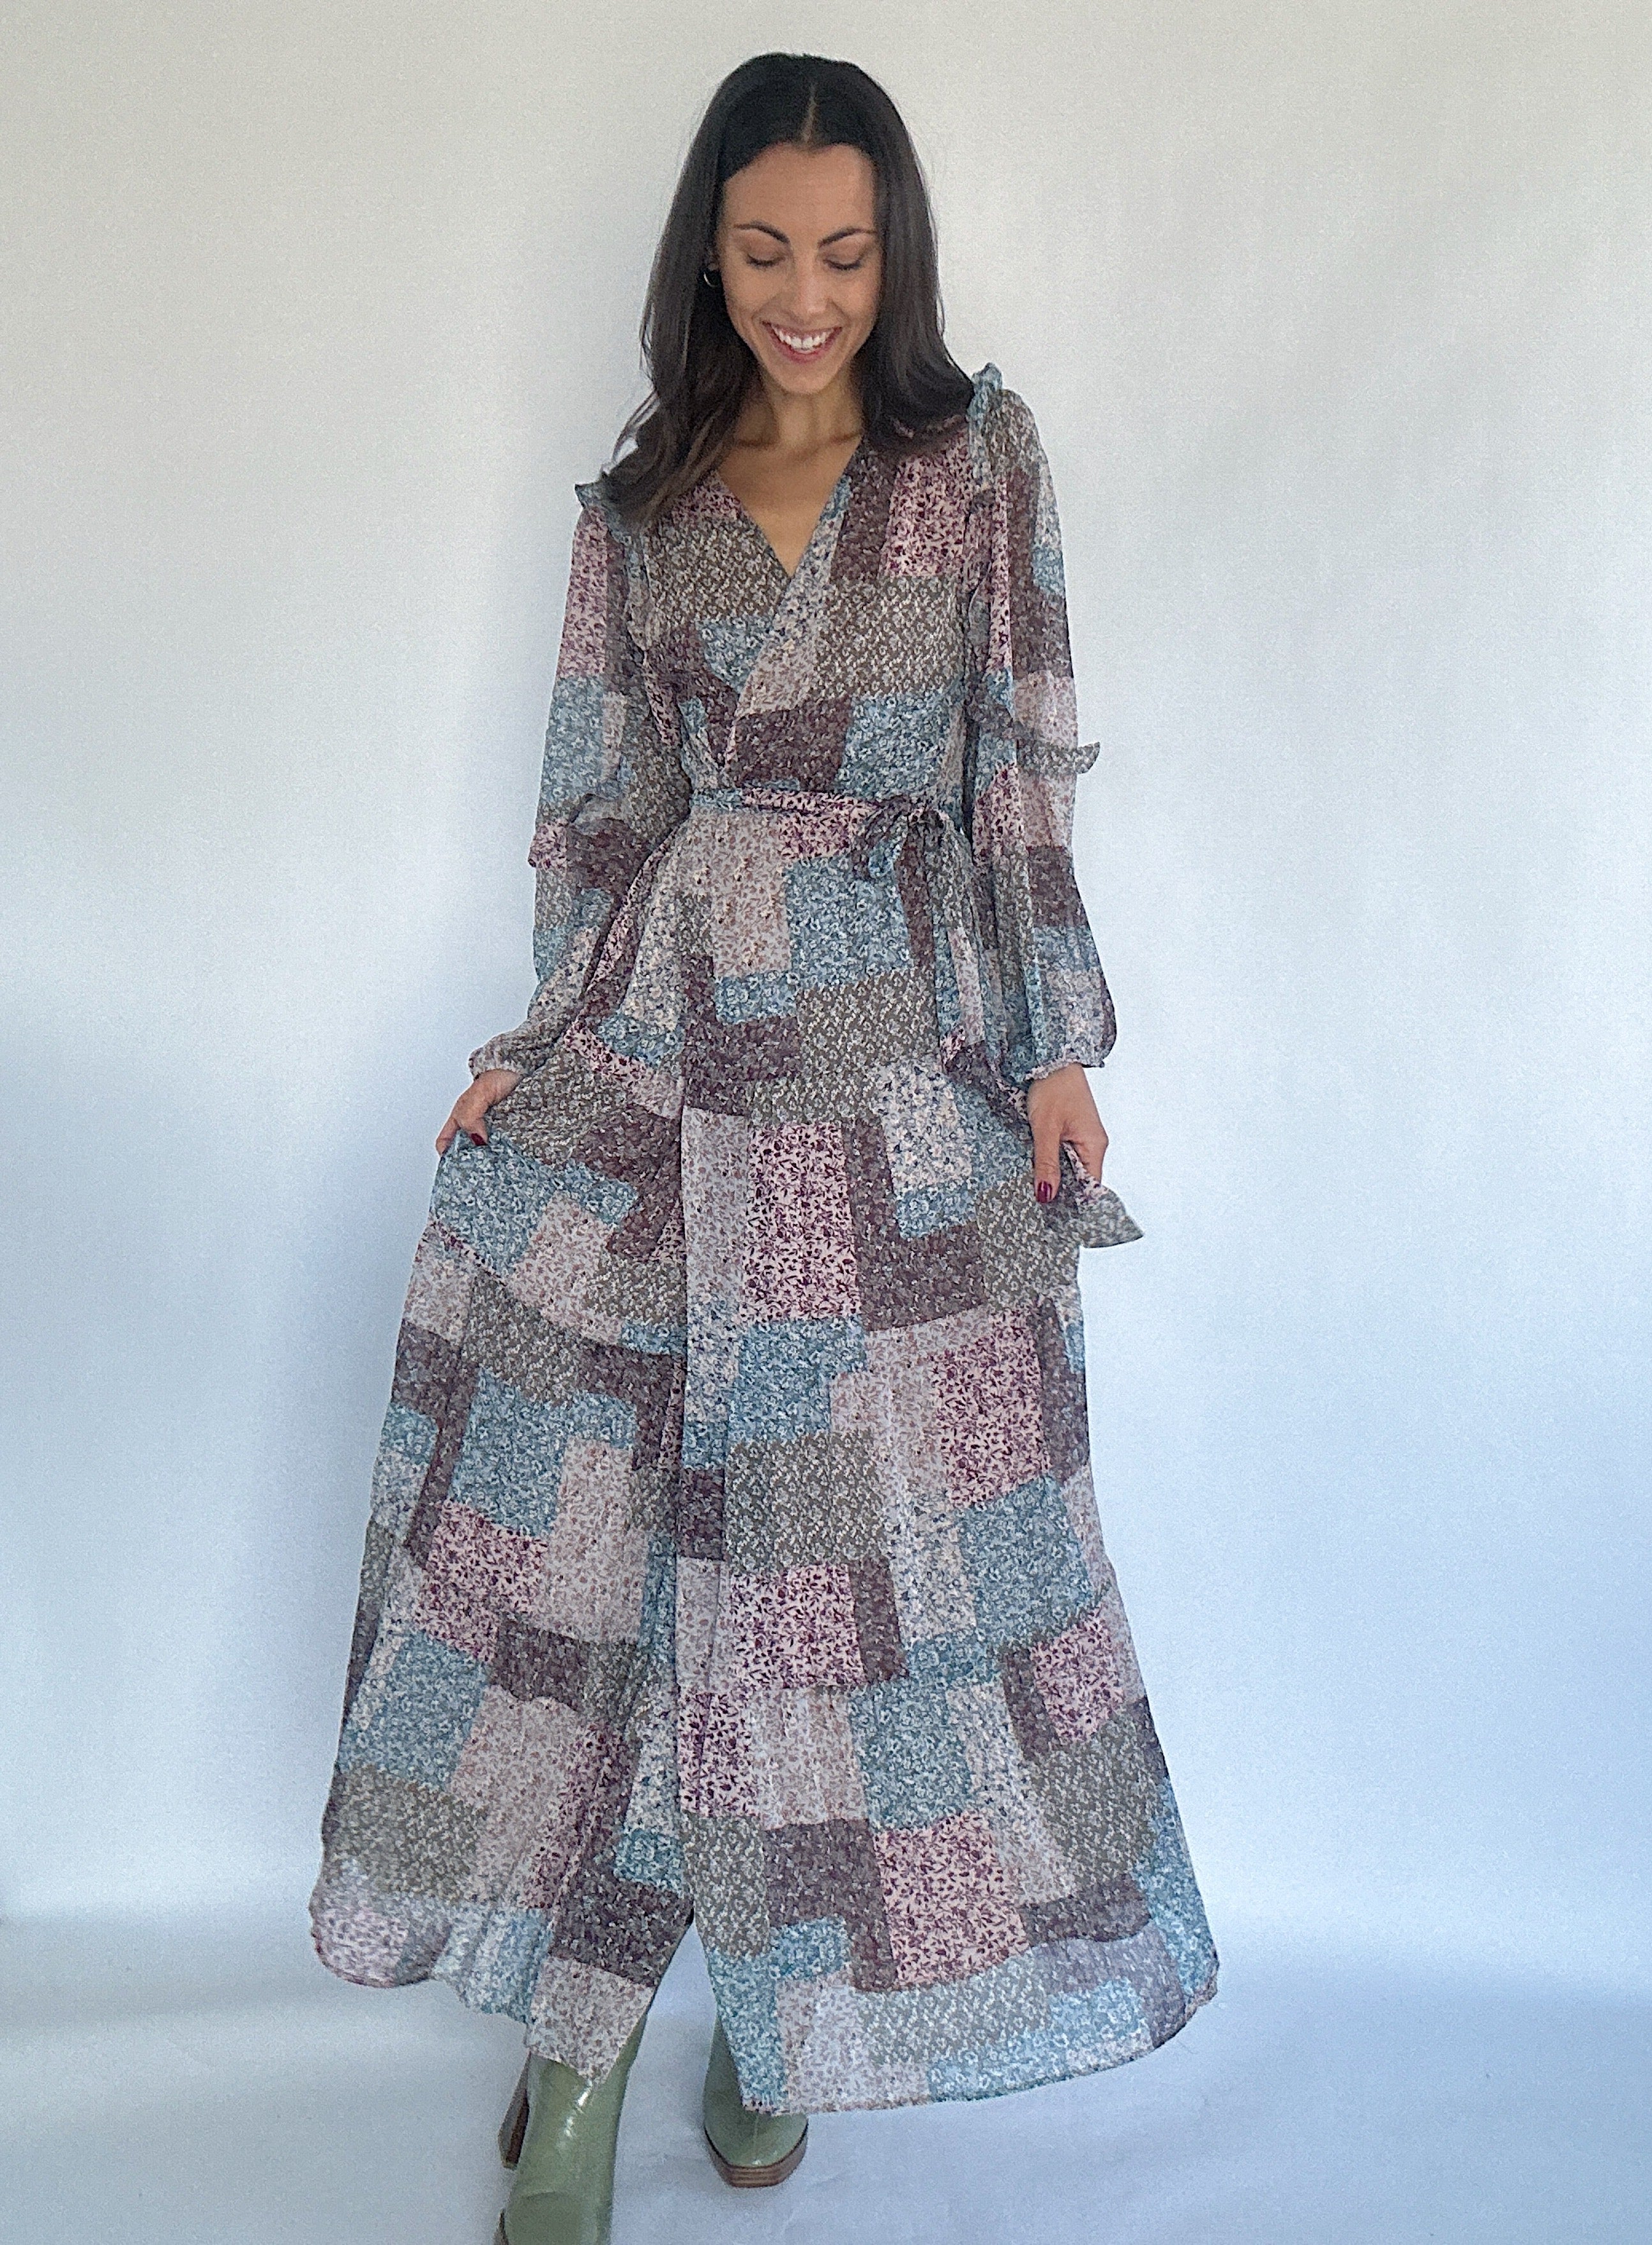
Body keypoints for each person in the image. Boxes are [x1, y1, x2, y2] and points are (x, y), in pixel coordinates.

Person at [309, 49, 1218, 2245]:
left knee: (871, 1578)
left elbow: (1019, 766)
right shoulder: (641, 510)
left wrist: (1059, 1045)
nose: (803, 295)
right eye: (761, 250)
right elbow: (596, 821)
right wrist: (537, 1046)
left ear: (889, 251)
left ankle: (778, 2018)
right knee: (608, 1554)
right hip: (670, 1058)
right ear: (703, 257)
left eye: (842, 250)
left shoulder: (977, 460)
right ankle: (579, 2060)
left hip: (899, 1080)